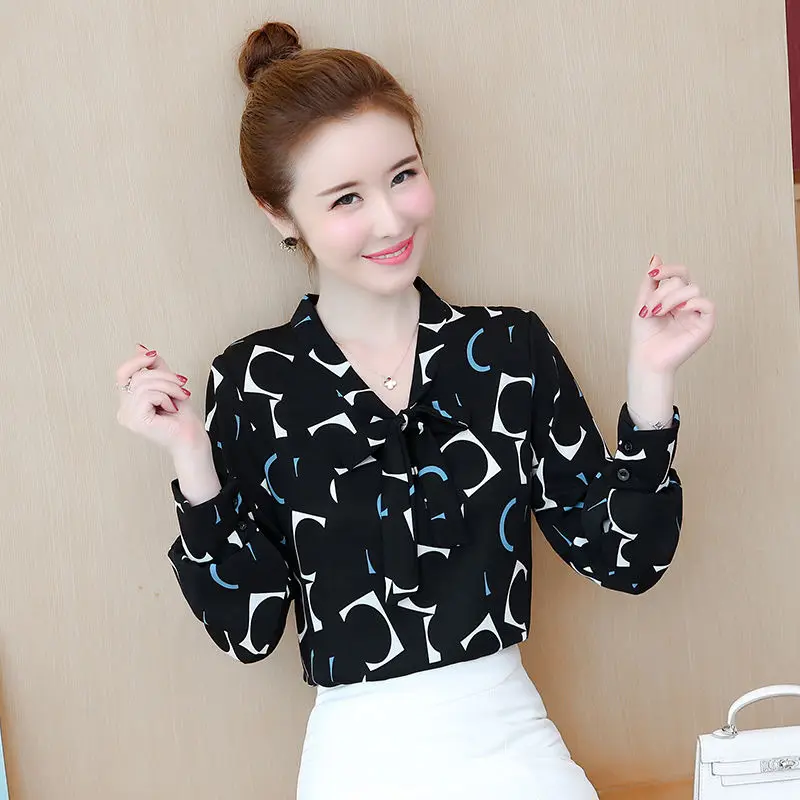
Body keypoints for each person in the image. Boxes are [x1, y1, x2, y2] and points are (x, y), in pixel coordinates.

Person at [114, 20, 715, 800]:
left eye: (403, 175)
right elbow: (247, 629)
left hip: (514, 751)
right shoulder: (256, 380)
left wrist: (652, 383)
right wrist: (192, 461)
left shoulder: (508, 348)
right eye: (346, 198)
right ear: (278, 214)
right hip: (354, 764)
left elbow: (625, 559)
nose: (392, 220)